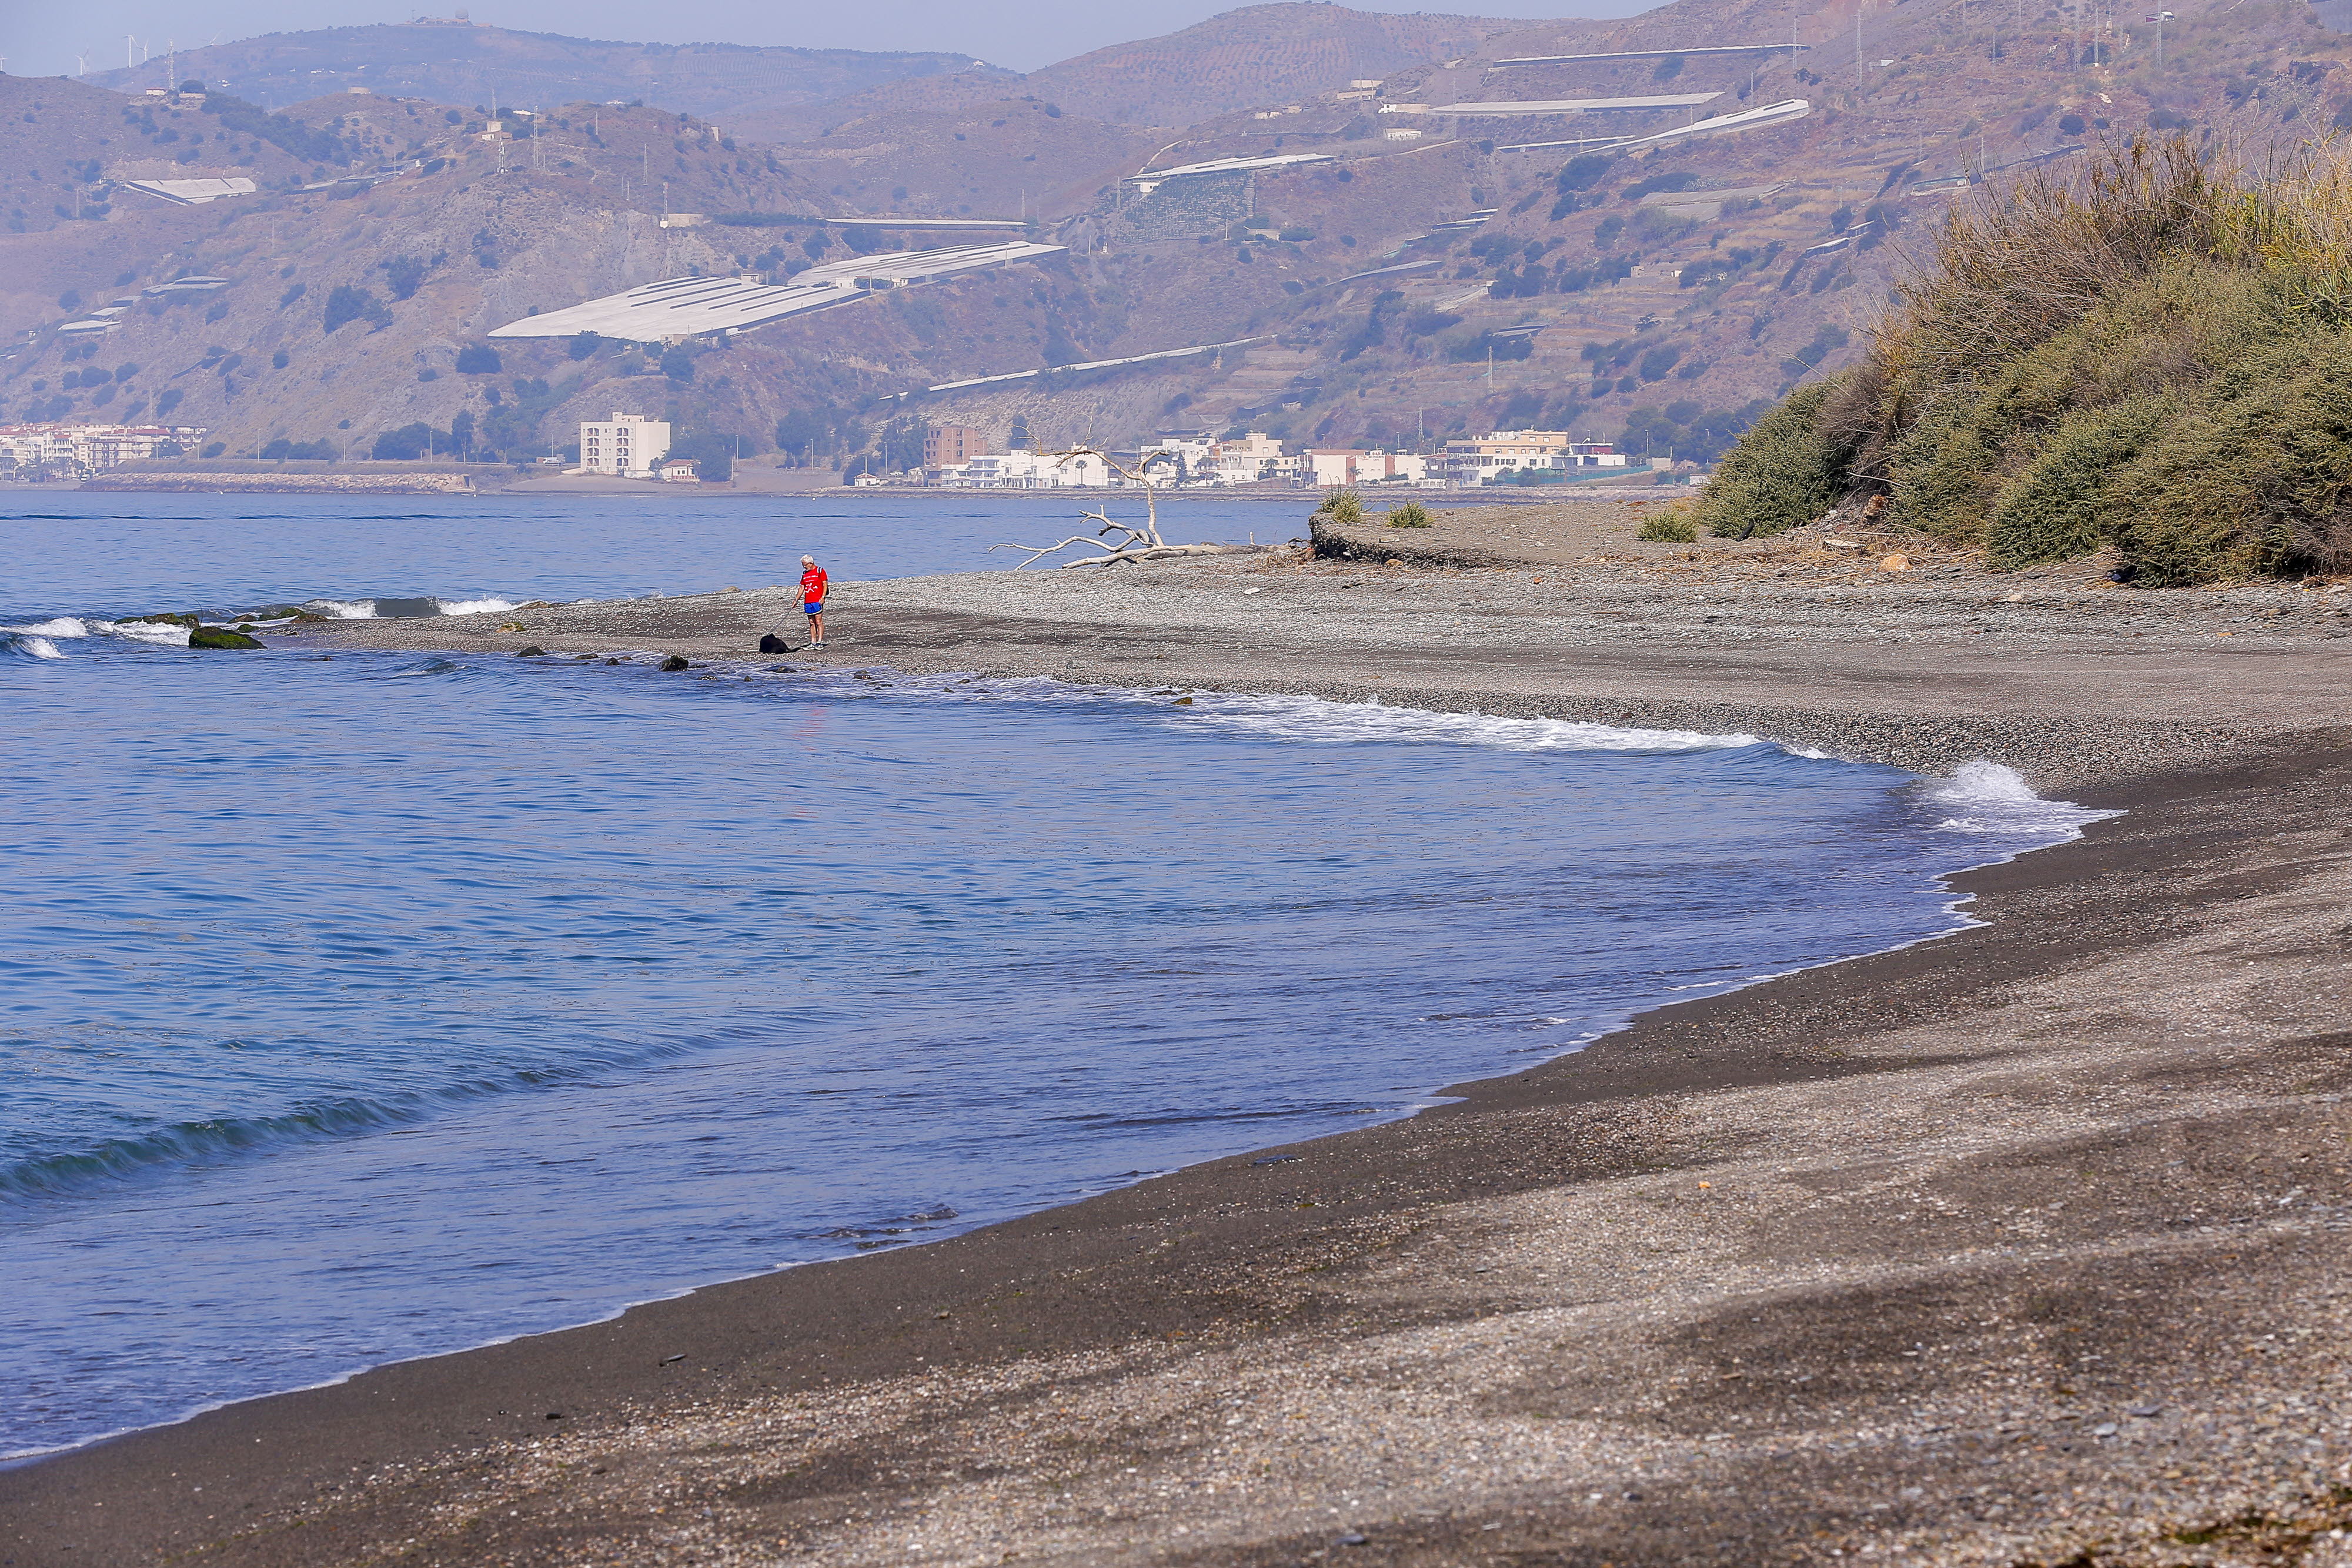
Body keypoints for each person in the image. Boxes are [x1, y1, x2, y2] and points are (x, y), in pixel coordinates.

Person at [799, 554, 828, 648]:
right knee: (811, 622)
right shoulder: (805, 574)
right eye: (803, 565)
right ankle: (813, 642)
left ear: (811, 563)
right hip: (808, 601)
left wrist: (823, 597)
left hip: (817, 600)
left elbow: (825, 584)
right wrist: (796, 599)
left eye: (805, 564)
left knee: (818, 621)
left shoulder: (820, 571)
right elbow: (802, 587)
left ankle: (820, 641)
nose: (804, 566)